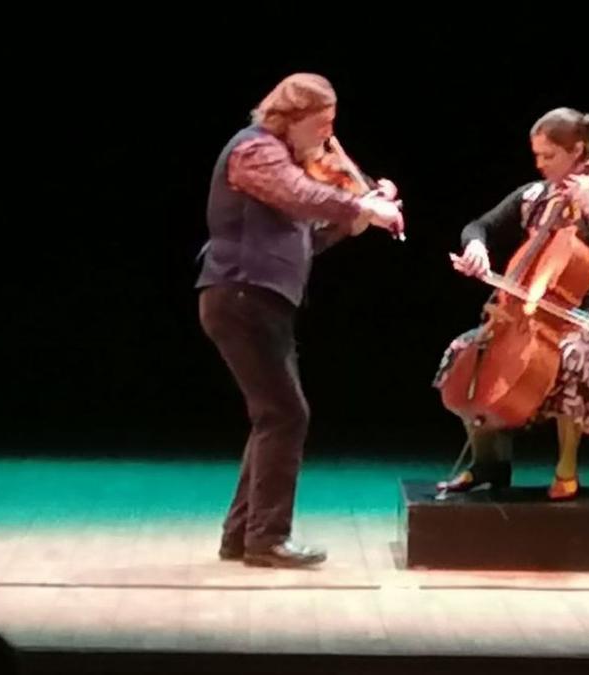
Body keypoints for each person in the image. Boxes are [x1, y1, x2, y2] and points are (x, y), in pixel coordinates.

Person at [196, 73, 404, 568]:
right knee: (286, 414)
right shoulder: (256, 151)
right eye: (323, 125)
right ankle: (265, 538)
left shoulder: (281, 160)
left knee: (274, 415)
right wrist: (361, 203)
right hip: (241, 292)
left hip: (257, 297)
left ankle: (242, 535)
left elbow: (305, 236)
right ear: (292, 117)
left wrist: (356, 220)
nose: (329, 138)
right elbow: (301, 195)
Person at [433, 107, 589, 500]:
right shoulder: (533, 196)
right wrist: (477, 247)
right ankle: (488, 463)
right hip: (535, 311)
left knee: (569, 356)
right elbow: (478, 226)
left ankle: (567, 467)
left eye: (549, 156)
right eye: (537, 155)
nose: (539, 164)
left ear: (579, 151)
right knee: (465, 350)